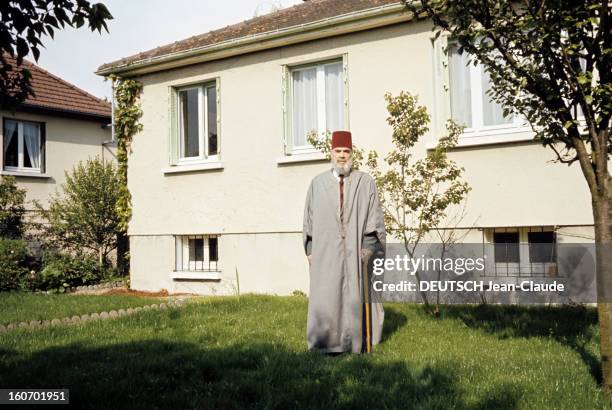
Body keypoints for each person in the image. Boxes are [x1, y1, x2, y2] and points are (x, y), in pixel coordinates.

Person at [302, 130, 386, 354]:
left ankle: (353, 342)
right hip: (326, 249)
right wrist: (310, 249)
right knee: (327, 292)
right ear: (331, 152)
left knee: (353, 294)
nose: (341, 155)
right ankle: (325, 342)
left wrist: (368, 247)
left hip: (356, 251)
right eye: (338, 151)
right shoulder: (317, 184)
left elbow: (373, 217)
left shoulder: (365, 182)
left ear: (352, 153)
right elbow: (309, 220)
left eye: (346, 151)